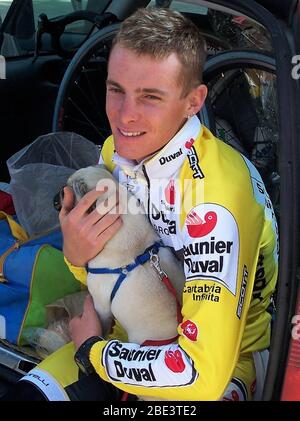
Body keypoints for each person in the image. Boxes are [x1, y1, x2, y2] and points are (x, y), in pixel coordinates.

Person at [4, 7, 278, 401]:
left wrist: (93, 353)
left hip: (222, 366)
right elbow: (103, 270)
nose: (124, 115)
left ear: (193, 101)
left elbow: (199, 374)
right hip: (125, 330)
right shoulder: (116, 152)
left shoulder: (215, 203)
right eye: (116, 90)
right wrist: (76, 256)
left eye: (150, 96)